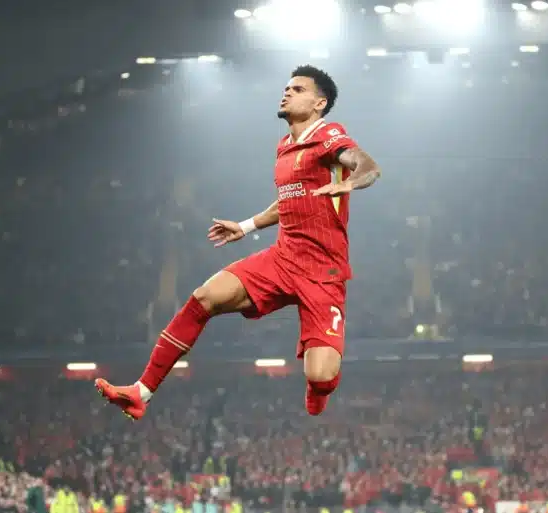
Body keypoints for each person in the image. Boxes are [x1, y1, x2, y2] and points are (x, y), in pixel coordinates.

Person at [96, 64, 382, 418]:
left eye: (298, 89)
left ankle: (319, 388)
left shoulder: (329, 135)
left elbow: (367, 165)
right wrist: (247, 226)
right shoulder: (284, 147)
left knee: (320, 373)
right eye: (287, 87)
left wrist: (351, 182)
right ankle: (142, 391)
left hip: (323, 271)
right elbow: (290, 200)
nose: (287, 92)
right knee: (204, 298)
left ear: (319, 103)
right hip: (282, 258)